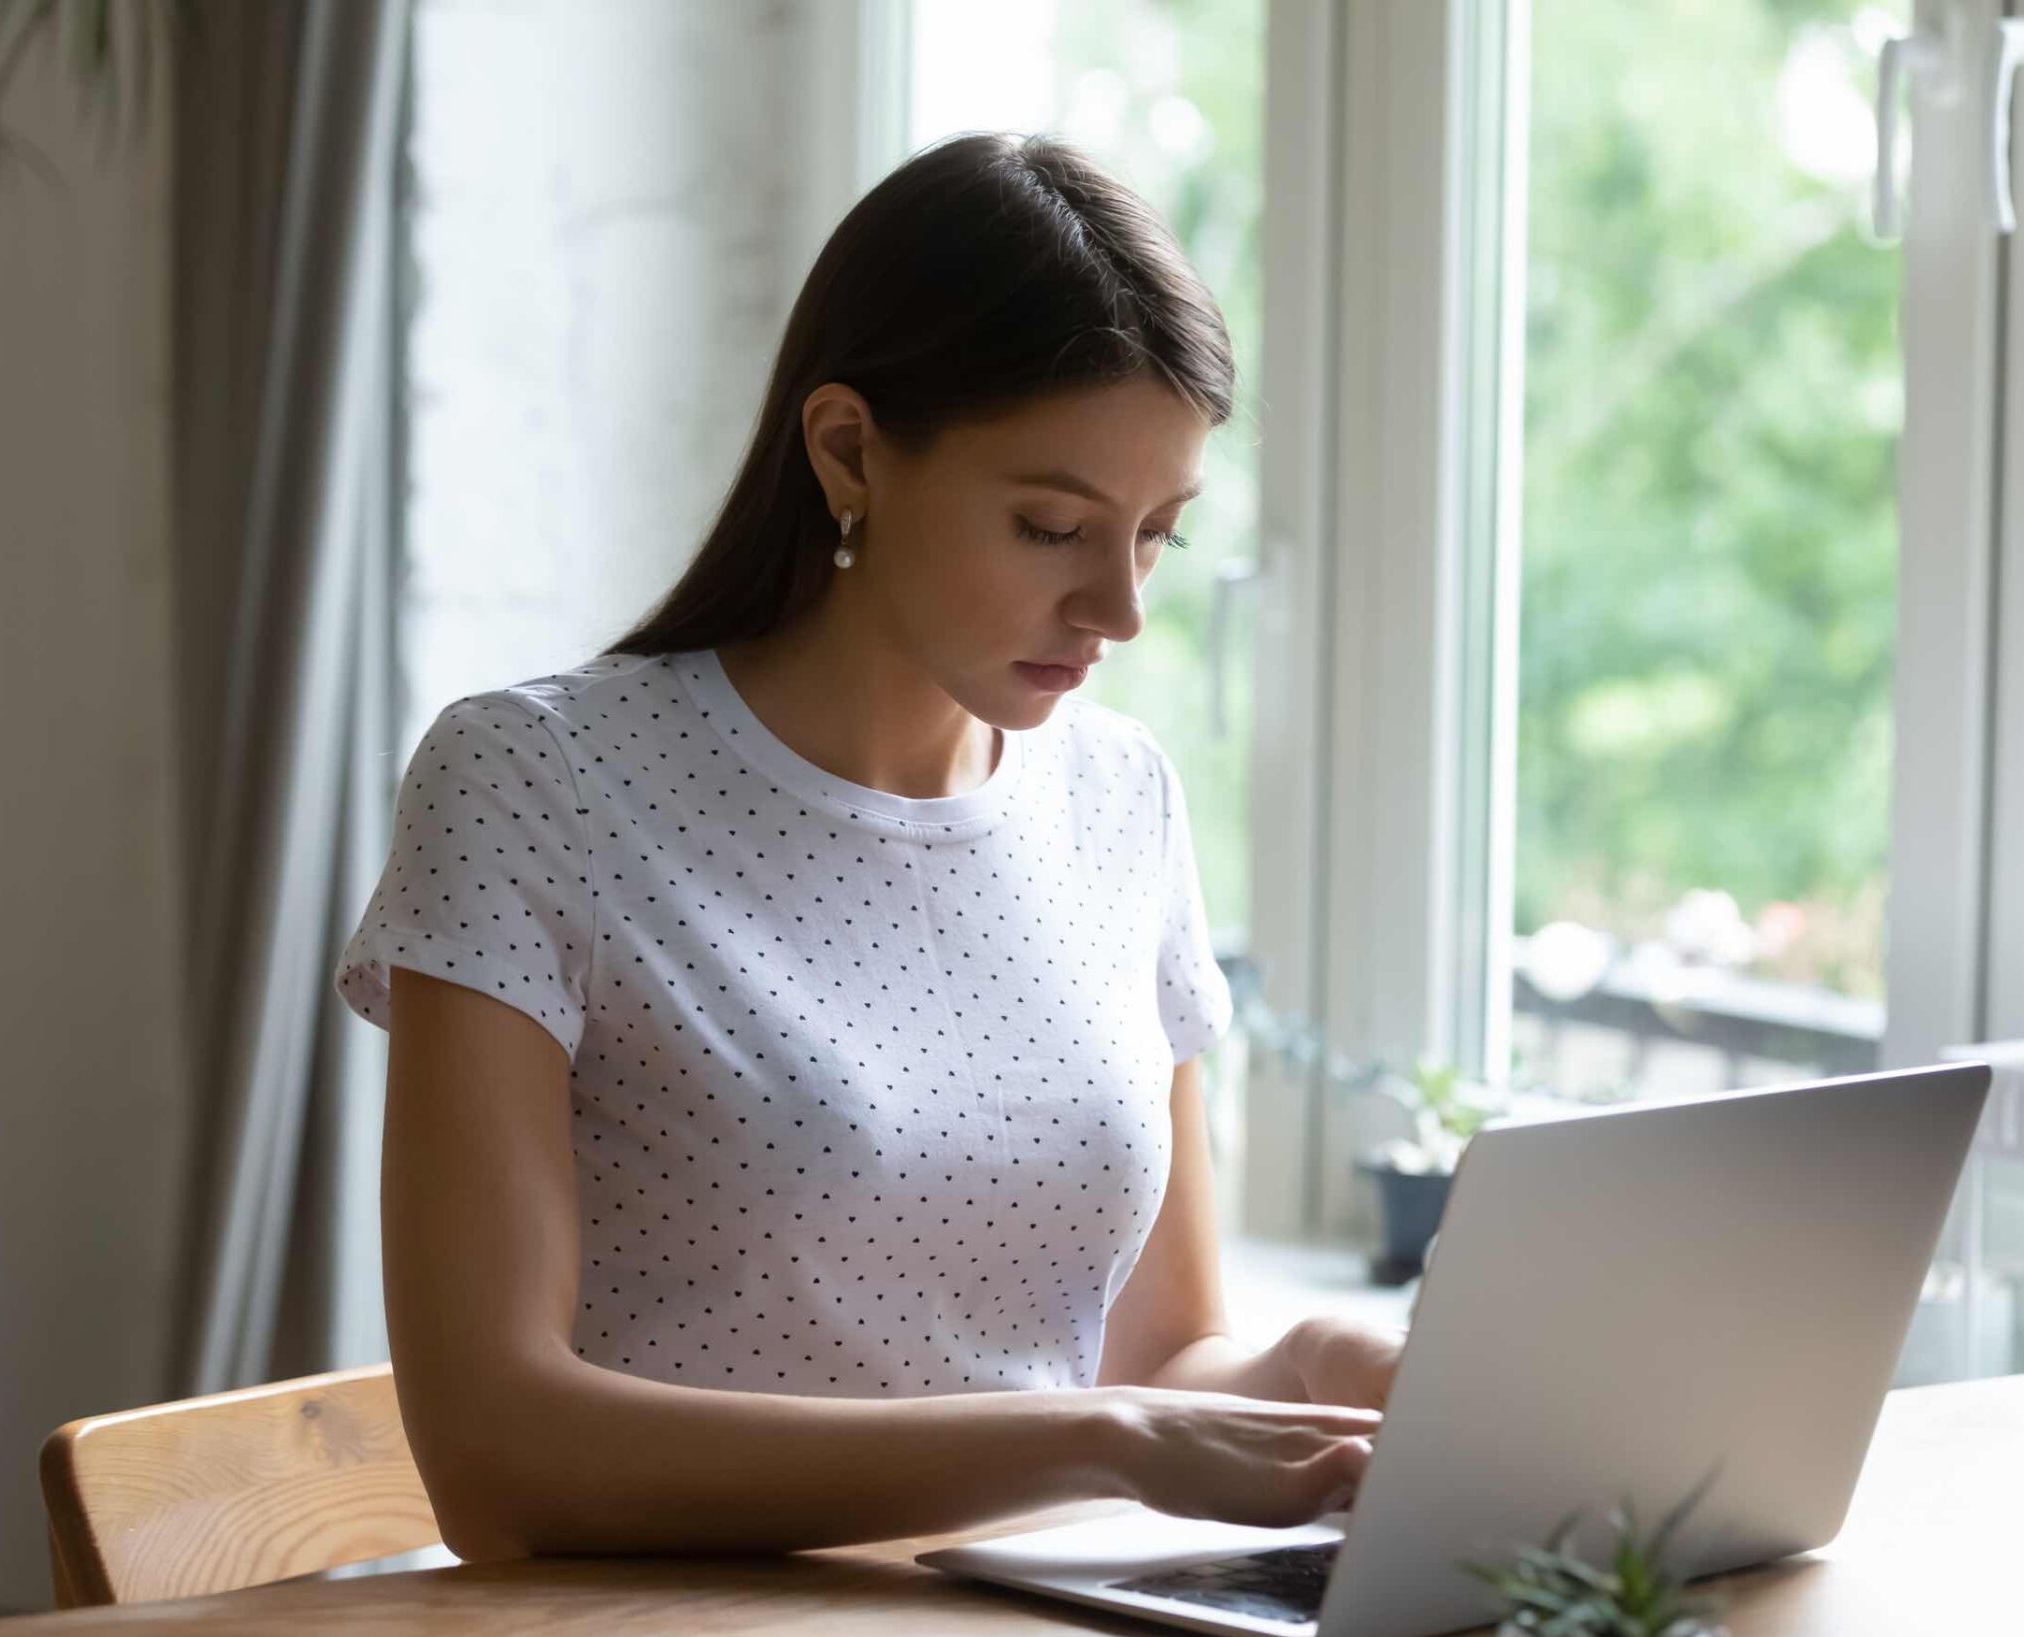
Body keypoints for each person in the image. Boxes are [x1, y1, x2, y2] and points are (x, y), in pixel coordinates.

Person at [332, 132, 1401, 1564]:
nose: (1118, 610)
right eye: (1050, 526)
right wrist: (1094, 1439)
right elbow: (498, 1454)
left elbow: (1162, 1361)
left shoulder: (1122, 799)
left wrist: (1326, 1371)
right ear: (848, 450)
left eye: (1156, 536)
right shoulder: (536, 781)